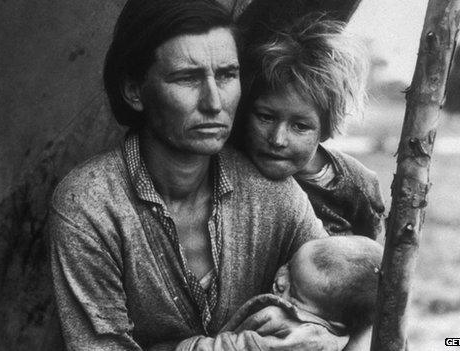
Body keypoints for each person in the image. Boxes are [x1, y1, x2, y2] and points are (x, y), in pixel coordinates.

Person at [48, 0, 333, 350]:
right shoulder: (90, 204)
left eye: (228, 74)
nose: (214, 102)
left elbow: (352, 306)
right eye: (187, 78)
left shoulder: (271, 194)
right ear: (134, 90)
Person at [236, 14, 385, 239]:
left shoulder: (357, 185)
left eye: (300, 126)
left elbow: (370, 253)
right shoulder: (233, 166)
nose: (277, 139)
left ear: (326, 129)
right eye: (266, 117)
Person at [178, 236, 383, 350]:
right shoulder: (334, 328)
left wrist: (191, 347)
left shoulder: (293, 336)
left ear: (336, 322)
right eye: (289, 264)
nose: (280, 280)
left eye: (293, 290)